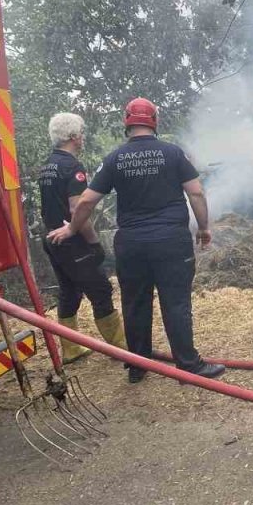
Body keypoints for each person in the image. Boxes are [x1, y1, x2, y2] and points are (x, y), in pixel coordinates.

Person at [47, 97, 225, 382]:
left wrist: (71, 230)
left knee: (134, 303)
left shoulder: (114, 158)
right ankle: (189, 367)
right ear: (154, 120)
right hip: (171, 242)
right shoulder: (173, 153)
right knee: (176, 303)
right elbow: (197, 193)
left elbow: (86, 202)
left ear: (126, 122)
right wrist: (203, 228)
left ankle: (138, 366)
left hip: (131, 244)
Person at [37, 113, 126, 362]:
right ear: (74, 137)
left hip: (52, 239)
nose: (83, 138)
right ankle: (120, 347)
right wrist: (94, 242)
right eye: (81, 134)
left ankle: (71, 348)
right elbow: (78, 209)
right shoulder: (72, 167)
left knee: (69, 291)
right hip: (71, 240)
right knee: (101, 289)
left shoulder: (47, 165)